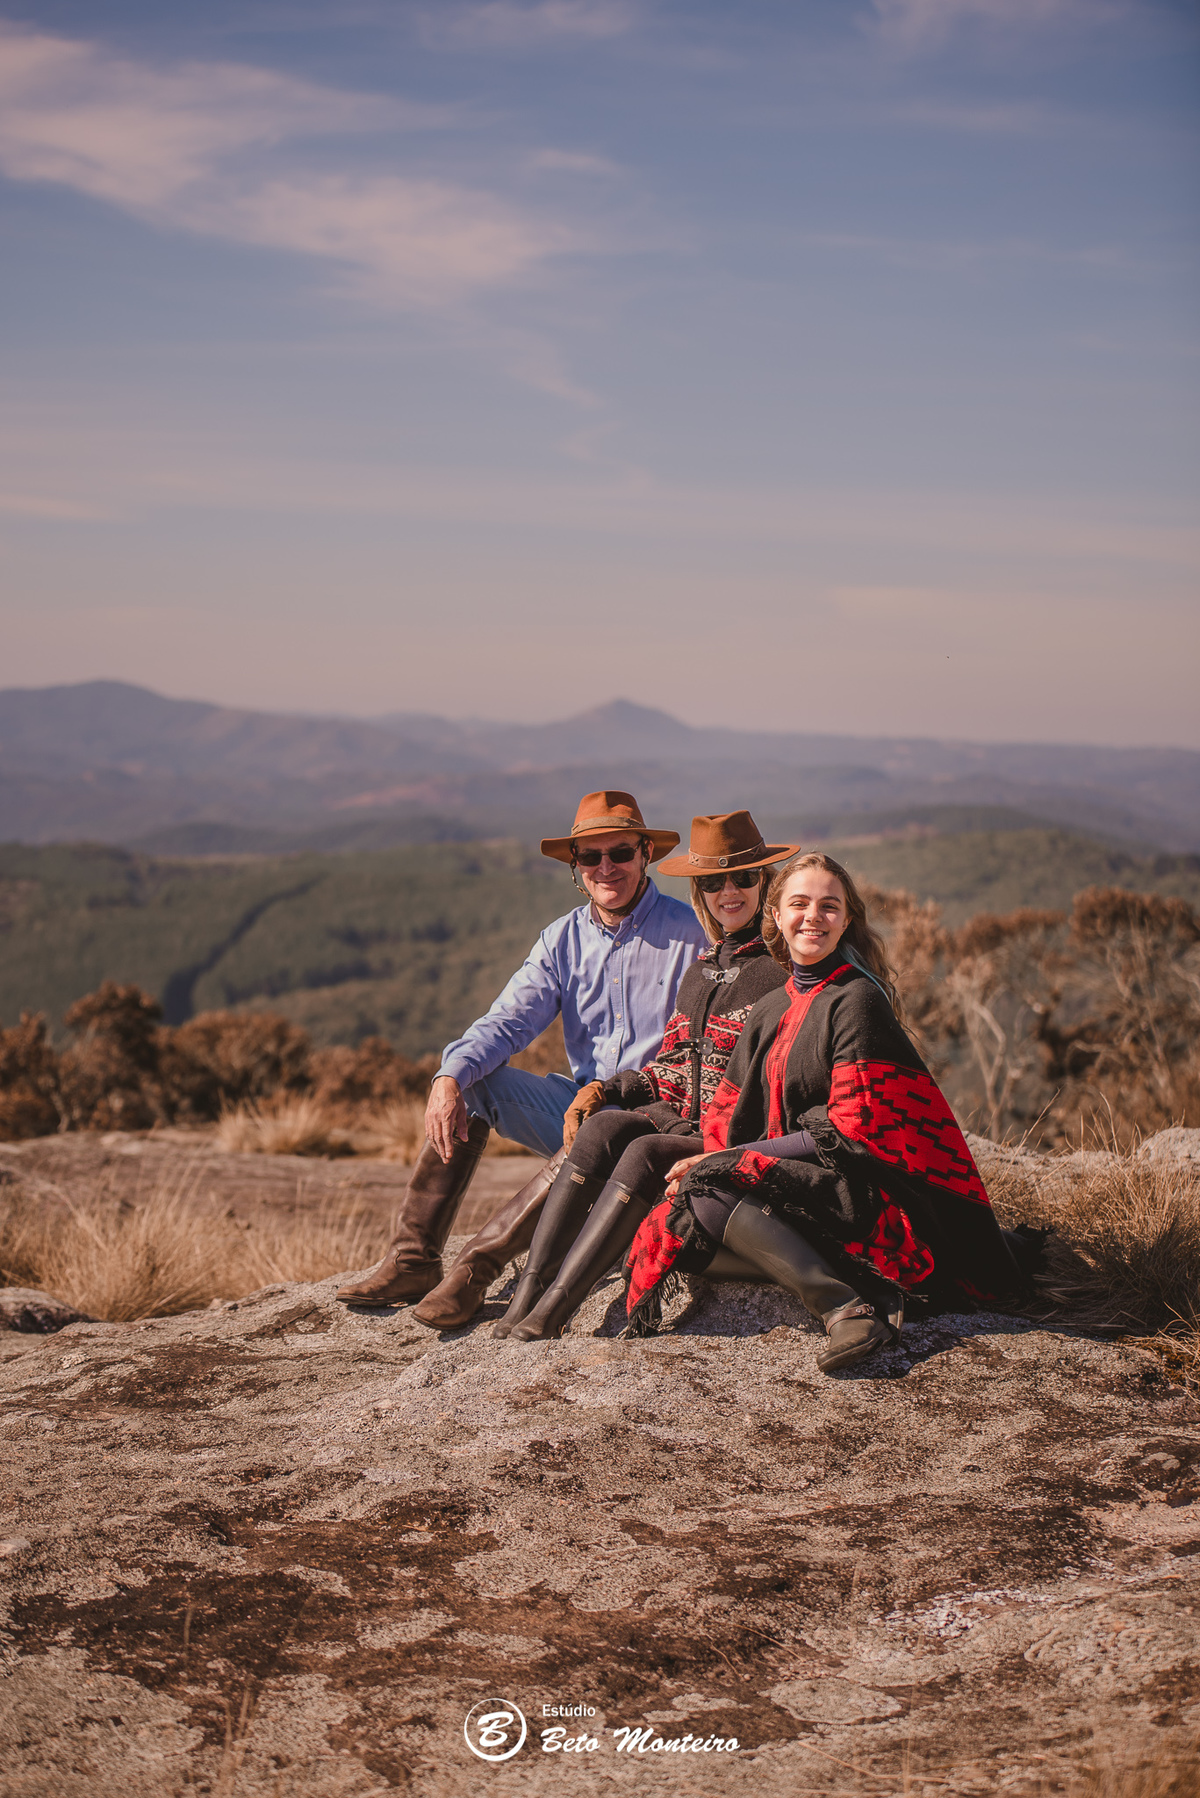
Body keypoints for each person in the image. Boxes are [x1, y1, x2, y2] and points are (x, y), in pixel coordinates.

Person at [621, 851, 1034, 1372]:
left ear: (847, 919)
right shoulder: (773, 1005)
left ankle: (846, 1306)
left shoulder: (856, 999)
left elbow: (849, 1131)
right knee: (686, 1221)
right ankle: (853, 1276)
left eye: (829, 906)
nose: (813, 916)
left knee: (716, 1186)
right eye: (799, 903)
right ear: (775, 915)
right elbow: (728, 1115)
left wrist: (731, 1161)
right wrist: (712, 1154)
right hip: (796, 1181)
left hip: (860, 1188)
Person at [336, 791, 707, 1307]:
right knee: (472, 1086)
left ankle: (475, 1273)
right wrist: (448, 1078)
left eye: (620, 853)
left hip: (656, 1121)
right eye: (590, 856)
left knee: (596, 1131)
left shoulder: (693, 933)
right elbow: (509, 1021)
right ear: (574, 866)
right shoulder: (561, 940)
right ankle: (413, 1261)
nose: (606, 867)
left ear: (646, 854)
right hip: (579, 1109)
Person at [492, 811, 799, 1340]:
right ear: (700, 890)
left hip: (739, 1140)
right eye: (713, 882)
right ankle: (529, 1291)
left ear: (764, 883)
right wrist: (609, 1090)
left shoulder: (780, 971)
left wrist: (697, 1134)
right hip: (689, 1125)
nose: (730, 891)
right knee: (602, 1127)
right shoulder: (703, 970)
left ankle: (557, 1307)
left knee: (642, 1150)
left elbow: (774, 1084)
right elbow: (678, 1065)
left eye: (744, 878)